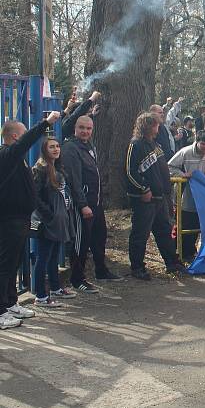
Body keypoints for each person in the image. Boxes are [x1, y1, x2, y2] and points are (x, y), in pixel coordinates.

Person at [0, 111, 60, 329]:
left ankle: (10, 303)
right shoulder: (6, 154)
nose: (26, 138)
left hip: (21, 218)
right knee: (5, 265)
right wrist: (46, 122)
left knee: (14, 263)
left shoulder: (17, 158)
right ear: (15, 136)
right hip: (8, 219)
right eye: (23, 134)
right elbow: (26, 141)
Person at [61, 115, 121, 290]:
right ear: (75, 128)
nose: (85, 131)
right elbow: (74, 180)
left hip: (96, 203)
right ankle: (77, 279)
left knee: (99, 238)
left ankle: (101, 271)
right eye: (82, 128)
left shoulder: (89, 146)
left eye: (88, 128)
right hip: (83, 205)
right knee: (81, 242)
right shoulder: (71, 149)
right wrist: (82, 205)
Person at [125, 112, 183, 280]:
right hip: (144, 199)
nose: (158, 128)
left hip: (160, 198)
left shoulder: (155, 144)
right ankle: (137, 267)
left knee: (164, 230)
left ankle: (171, 262)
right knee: (140, 233)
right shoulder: (135, 144)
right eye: (156, 125)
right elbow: (129, 172)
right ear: (148, 126)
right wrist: (143, 189)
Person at [31, 137, 77, 307]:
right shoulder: (40, 169)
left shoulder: (58, 167)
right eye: (51, 147)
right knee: (43, 257)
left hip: (60, 220)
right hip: (48, 222)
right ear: (44, 150)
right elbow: (35, 197)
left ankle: (56, 288)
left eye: (57, 146)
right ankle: (41, 296)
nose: (56, 149)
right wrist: (49, 214)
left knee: (54, 257)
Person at [168, 131, 205, 263]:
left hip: (204, 197)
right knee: (185, 223)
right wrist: (182, 174)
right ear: (197, 141)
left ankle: (192, 252)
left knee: (197, 224)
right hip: (186, 195)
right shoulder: (185, 152)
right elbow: (169, 166)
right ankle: (180, 252)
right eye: (203, 144)